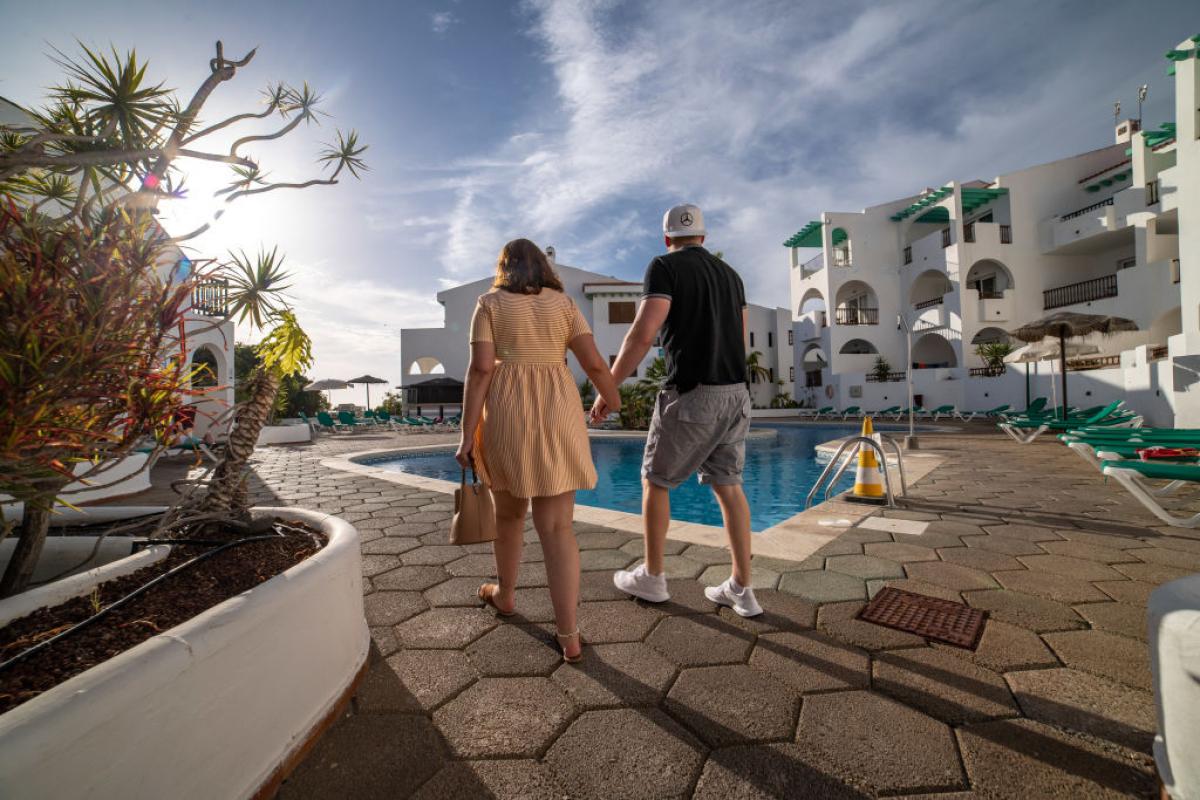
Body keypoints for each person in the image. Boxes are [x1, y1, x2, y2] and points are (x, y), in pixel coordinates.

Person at [592, 204, 762, 617]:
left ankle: (652, 576)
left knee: (655, 481)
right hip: (736, 392)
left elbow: (642, 333)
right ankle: (742, 587)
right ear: (704, 237)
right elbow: (739, 339)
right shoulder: (732, 276)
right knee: (729, 486)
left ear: (667, 238)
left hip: (691, 393)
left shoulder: (663, 267)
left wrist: (608, 385)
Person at [457, 238, 621, 662]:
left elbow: (479, 370)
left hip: (507, 413)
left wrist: (465, 433)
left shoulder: (488, 304)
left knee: (509, 516)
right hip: (558, 410)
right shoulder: (564, 305)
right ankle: (569, 636)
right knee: (557, 529)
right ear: (543, 268)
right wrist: (613, 400)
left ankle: (506, 595)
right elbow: (595, 364)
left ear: (504, 267)